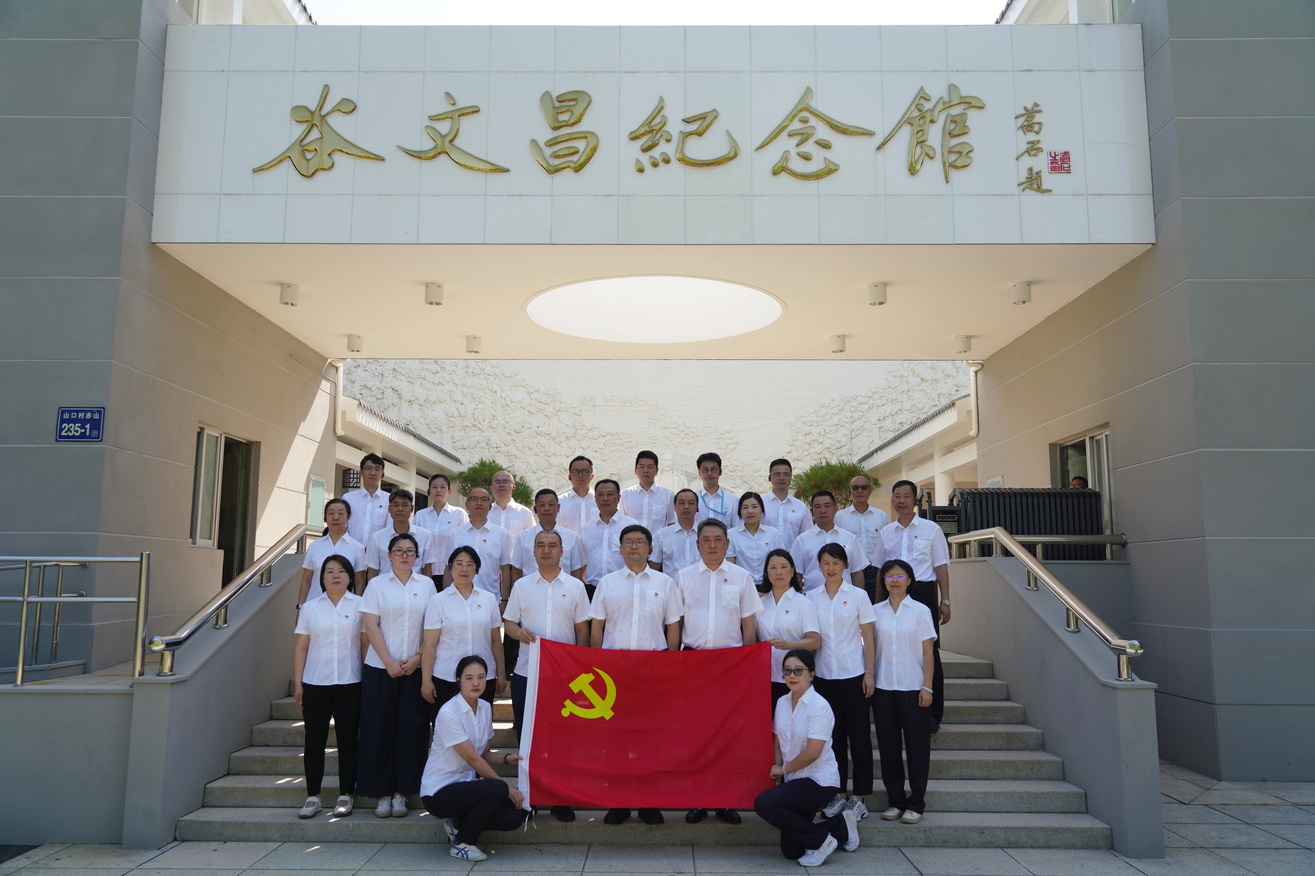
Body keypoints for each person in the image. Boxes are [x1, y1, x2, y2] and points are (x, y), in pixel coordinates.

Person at [589, 524, 682, 825]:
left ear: (650, 548)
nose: (634, 546)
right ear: (620, 549)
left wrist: (670, 664)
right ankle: (619, 802)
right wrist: (596, 664)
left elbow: (673, 625)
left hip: (653, 669)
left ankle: (648, 802)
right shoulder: (607, 583)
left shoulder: (665, 583)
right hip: (615, 671)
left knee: (650, 739)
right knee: (616, 739)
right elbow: (597, 626)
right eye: (628, 542)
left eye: (640, 542)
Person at [675, 518, 761, 825]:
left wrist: (749, 663)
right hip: (694, 663)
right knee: (696, 734)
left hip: (731, 665)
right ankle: (698, 799)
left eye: (718, 540)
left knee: (727, 735)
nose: (712, 545)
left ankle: (725, 800)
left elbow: (748, 624)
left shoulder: (741, 577)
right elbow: (677, 622)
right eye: (706, 540)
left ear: (727, 543)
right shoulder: (683, 577)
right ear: (697, 544)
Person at [502, 529, 590, 822]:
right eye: (540, 545)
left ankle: (560, 798)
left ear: (562, 551)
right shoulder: (522, 586)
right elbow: (509, 623)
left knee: (562, 739)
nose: (546, 550)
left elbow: (582, 630)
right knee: (529, 738)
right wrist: (519, 633)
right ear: (533, 551)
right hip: (528, 673)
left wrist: (580, 666)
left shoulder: (576, 587)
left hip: (564, 677)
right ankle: (531, 797)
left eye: (552, 545)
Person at [753, 649, 860, 866]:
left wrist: (784, 769)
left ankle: (822, 841)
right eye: (787, 671)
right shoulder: (782, 702)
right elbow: (777, 741)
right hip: (795, 780)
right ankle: (841, 825)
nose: (792, 676)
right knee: (791, 851)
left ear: (811, 674)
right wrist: (779, 769)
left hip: (818, 781)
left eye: (798, 671)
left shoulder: (819, 706)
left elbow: (813, 752)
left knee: (763, 803)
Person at [420, 655, 529, 862]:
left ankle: (458, 824)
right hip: (439, 791)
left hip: (467, 786)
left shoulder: (485, 708)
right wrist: (506, 788)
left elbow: (483, 753)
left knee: (517, 815)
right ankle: (462, 844)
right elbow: (472, 759)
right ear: (458, 680)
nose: (476, 683)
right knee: (498, 789)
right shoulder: (449, 712)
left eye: (481, 677)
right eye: (469, 678)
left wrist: (507, 758)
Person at [358, 533, 431, 818]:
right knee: (378, 730)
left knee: (411, 732)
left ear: (417, 556)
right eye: (398, 550)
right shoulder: (377, 585)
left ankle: (402, 792)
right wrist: (388, 661)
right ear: (388, 555)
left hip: (415, 669)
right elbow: (371, 626)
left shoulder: (427, 585)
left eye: (410, 551)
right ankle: (382, 793)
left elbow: (431, 628)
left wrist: (419, 657)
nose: (404, 555)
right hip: (380, 668)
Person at [806, 543, 875, 823]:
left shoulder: (858, 595)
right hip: (824, 677)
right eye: (825, 563)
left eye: (836, 562)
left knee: (859, 737)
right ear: (819, 566)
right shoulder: (811, 597)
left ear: (845, 565)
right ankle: (837, 793)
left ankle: (860, 797)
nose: (831, 568)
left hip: (854, 674)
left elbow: (868, 637)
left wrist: (870, 673)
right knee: (832, 739)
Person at [293, 554, 365, 819]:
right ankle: (313, 796)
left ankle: (346, 794)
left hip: (350, 682)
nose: (336, 575)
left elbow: (365, 645)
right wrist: (298, 682)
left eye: (341, 571)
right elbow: (302, 647)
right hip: (315, 683)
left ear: (350, 577)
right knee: (314, 741)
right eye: (330, 571)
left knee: (348, 741)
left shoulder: (360, 605)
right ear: (321, 578)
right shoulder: (310, 608)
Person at [876, 479, 951, 733]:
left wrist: (945, 600)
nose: (901, 501)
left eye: (906, 496)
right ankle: (897, 706)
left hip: (922, 592)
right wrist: (878, 604)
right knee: (893, 645)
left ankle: (933, 713)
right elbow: (880, 570)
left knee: (930, 650)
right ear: (892, 500)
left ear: (914, 499)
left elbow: (940, 567)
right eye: (897, 496)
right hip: (892, 593)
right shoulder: (886, 532)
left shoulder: (931, 529)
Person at [871, 559, 937, 825]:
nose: (894, 580)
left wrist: (927, 686)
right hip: (883, 687)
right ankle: (895, 801)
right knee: (888, 748)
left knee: (917, 747)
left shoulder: (920, 611)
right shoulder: (875, 611)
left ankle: (916, 803)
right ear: (883, 581)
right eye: (889, 576)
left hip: (914, 687)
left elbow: (928, 652)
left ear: (910, 580)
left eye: (900, 575)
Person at [421, 546, 506, 719]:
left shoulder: (489, 599)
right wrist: (426, 680)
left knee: (480, 728)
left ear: (476, 569)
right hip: (446, 676)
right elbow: (429, 644)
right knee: (446, 728)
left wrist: (501, 674)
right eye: (459, 564)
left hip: (482, 678)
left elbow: (496, 641)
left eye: (470, 564)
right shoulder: (438, 601)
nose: (464, 569)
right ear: (450, 568)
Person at [755, 549, 820, 711]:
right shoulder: (759, 604)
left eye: (783, 567)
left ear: (792, 571)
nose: (778, 572)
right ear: (767, 573)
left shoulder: (804, 603)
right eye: (773, 568)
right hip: (764, 677)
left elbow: (815, 641)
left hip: (794, 678)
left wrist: (788, 645)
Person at [444, 487, 512, 605]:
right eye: (474, 499)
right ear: (467, 505)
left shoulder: (502, 535)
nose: (479, 503)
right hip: (458, 600)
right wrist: (446, 599)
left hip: (491, 601)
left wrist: (505, 600)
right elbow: (448, 569)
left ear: (490, 505)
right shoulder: (455, 535)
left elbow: (505, 570)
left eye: (484, 499)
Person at [791, 491, 868, 592]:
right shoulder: (802, 540)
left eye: (827, 506)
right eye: (818, 507)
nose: (823, 511)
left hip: (846, 598)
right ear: (812, 511)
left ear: (836, 509)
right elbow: (797, 574)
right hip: (812, 598)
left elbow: (857, 572)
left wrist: (859, 597)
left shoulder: (850, 538)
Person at [299, 498, 366, 607]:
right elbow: (306, 580)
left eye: (341, 513)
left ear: (348, 517)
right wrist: (300, 606)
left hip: (346, 607)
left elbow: (359, 582)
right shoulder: (314, 546)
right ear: (325, 517)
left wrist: (359, 608)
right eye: (331, 513)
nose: (335, 517)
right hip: (315, 605)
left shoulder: (357, 548)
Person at [509, 489, 586, 582]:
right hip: (531, 589)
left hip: (563, 589)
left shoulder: (571, 537)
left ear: (558, 507)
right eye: (542, 505)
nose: (546, 508)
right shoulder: (523, 537)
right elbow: (516, 571)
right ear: (535, 509)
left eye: (551, 504)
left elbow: (576, 571)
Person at [580, 479, 639, 599]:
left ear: (618, 498)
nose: (605, 499)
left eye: (610, 494)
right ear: (595, 498)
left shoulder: (631, 526)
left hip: (624, 588)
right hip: (593, 589)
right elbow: (583, 561)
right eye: (601, 495)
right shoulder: (587, 528)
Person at [365, 489, 439, 582]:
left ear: (411, 509)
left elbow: (427, 569)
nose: (400, 509)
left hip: (415, 587)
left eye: (404, 505)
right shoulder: (377, 537)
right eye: (396, 505)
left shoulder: (425, 536)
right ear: (389, 509)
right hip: (385, 588)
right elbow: (372, 570)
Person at [835, 475, 888, 603]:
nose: (859, 491)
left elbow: (887, 545)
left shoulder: (881, 516)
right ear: (850, 491)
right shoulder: (839, 517)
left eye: (864, 487)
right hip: (850, 573)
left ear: (870, 491)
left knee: (876, 609)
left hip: (875, 574)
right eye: (855, 487)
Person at [414, 474, 469, 562]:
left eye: (442, 487)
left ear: (449, 492)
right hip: (425, 566)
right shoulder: (420, 515)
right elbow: (416, 542)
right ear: (429, 491)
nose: (438, 491)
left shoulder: (459, 514)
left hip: (451, 566)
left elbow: (466, 542)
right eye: (434, 487)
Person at [729, 491, 782, 582]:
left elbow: (779, 561)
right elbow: (731, 565)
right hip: (742, 584)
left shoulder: (773, 533)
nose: (750, 511)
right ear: (740, 511)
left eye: (754, 507)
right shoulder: (731, 534)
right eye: (745, 507)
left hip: (769, 584)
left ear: (762, 510)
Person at [619, 450, 675, 533]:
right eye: (642, 467)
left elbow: (671, 523)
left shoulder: (668, 495)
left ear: (657, 470)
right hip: (633, 540)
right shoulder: (625, 495)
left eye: (650, 467)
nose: (646, 470)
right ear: (635, 470)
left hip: (658, 541)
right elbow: (621, 522)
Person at [343, 453, 391, 545]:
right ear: (361, 472)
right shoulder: (348, 499)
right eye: (368, 468)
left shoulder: (389, 500)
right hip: (352, 550)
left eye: (377, 469)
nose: (373, 473)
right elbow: (343, 527)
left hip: (379, 551)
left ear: (382, 473)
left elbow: (390, 529)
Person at [763, 458, 811, 547]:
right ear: (770, 477)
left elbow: (808, 536)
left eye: (786, 474)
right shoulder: (760, 504)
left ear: (791, 477)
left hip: (793, 555)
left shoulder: (801, 507)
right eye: (777, 474)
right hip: (766, 554)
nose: (782, 478)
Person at [650, 488, 699, 574]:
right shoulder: (662, 535)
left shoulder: (705, 534)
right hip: (671, 582)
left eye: (691, 503)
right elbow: (654, 567)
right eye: (681, 503)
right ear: (674, 507)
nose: (686, 507)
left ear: (697, 507)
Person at [694, 451, 740, 529]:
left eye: (713, 469)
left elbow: (737, 528)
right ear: (699, 472)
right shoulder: (693, 499)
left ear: (720, 471)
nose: (709, 473)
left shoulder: (733, 500)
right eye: (705, 469)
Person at [558, 456, 598, 536]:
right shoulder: (559, 502)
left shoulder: (600, 501)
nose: (580, 475)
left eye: (584, 471)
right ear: (569, 476)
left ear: (592, 476)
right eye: (576, 471)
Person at [488, 470, 534, 537]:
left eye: (505, 482)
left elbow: (532, 539)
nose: (501, 485)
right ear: (491, 488)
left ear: (513, 487)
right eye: (497, 482)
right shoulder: (485, 513)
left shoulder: (525, 513)